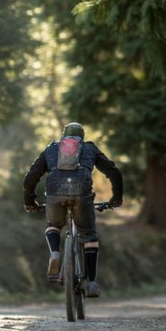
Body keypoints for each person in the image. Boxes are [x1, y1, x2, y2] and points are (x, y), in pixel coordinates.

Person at [22, 122, 123, 298]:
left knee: (53, 224)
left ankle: (54, 252)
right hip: (81, 193)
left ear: (63, 136)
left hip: (55, 193)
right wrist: (115, 199)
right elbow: (114, 173)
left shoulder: (52, 148)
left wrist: (30, 201)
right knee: (89, 236)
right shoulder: (89, 149)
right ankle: (91, 282)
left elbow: (30, 178)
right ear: (82, 137)